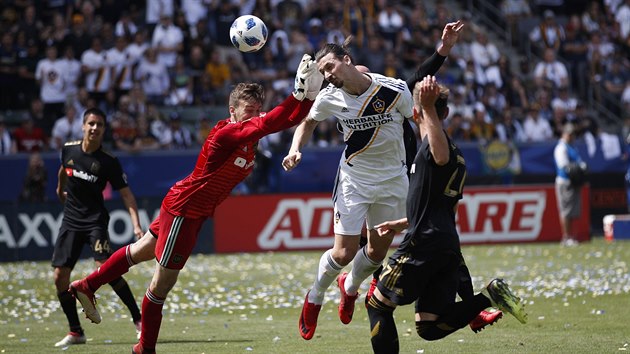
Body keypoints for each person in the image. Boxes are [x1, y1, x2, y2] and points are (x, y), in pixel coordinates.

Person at [68, 54, 324, 354]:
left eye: (257, 110)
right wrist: (297, 93)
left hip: (188, 207)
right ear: (232, 111)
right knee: (160, 287)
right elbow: (274, 121)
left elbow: (287, 120)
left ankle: (87, 285)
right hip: (185, 211)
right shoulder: (228, 133)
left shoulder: (249, 130)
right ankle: (144, 348)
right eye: (248, 110)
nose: (255, 115)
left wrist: (309, 95)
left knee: (139, 252)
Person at [283, 21, 480, 341]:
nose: (328, 75)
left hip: (392, 179)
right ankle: (315, 296)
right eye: (324, 72)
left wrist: (429, 157)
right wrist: (295, 150)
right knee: (343, 253)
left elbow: (417, 118)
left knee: (376, 253)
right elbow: (307, 123)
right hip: (354, 179)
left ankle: (349, 287)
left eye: (331, 66)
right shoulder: (329, 98)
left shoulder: (393, 89)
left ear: (346, 59)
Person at [367, 76, 527, 354]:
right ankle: (490, 296)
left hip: (423, 244)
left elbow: (438, 155)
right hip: (444, 243)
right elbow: (444, 207)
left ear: (416, 113)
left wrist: (427, 107)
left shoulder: (436, 148)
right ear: (448, 112)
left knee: (377, 305)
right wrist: (404, 222)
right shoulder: (459, 156)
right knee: (428, 327)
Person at [53, 107, 144, 347]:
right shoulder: (68, 150)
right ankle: (76, 331)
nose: (94, 128)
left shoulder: (108, 162)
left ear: (103, 130)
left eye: (99, 125)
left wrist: (136, 225)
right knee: (60, 277)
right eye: (91, 123)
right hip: (71, 221)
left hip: (95, 221)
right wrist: (59, 189)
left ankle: (139, 320)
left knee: (105, 269)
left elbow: (127, 196)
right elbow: (64, 169)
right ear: (83, 126)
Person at [553, 123, 587, 246]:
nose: (572, 136)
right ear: (564, 134)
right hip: (565, 182)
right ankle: (566, 237)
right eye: (570, 134)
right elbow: (564, 166)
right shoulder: (561, 148)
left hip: (573, 182)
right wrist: (578, 168)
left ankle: (571, 236)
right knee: (566, 211)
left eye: (573, 134)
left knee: (573, 211)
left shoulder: (572, 147)